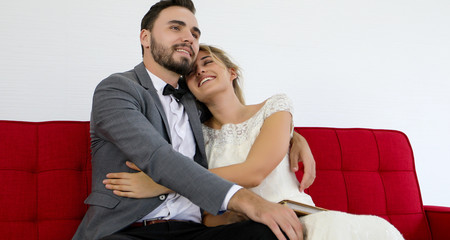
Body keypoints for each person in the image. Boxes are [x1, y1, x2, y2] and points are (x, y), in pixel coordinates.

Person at [105, 44, 405, 240]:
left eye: (208, 63)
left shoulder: (274, 107)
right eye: (192, 73)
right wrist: (232, 214)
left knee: (368, 232)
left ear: (232, 72)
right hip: (245, 229)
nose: (201, 71)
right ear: (189, 91)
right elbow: (207, 215)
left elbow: (255, 171)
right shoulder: (196, 137)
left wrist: (167, 181)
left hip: (298, 218)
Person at [73, 0, 314, 239]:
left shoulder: (194, 98)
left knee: (269, 233)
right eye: (176, 28)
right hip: (128, 230)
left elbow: (237, 120)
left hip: (195, 231)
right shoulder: (117, 89)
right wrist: (247, 201)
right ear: (145, 38)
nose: (189, 37)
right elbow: (158, 157)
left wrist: (292, 135)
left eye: (194, 33)